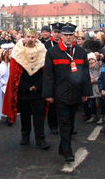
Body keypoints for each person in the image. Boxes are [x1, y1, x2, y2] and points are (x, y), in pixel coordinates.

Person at [43, 23, 92, 162]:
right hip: (60, 94)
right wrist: (49, 94)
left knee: (70, 122)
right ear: (61, 36)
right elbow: (48, 75)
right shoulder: (53, 52)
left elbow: (85, 73)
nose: (68, 38)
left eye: (71, 35)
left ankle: (63, 146)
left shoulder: (81, 52)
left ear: (74, 36)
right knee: (64, 122)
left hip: (76, 93)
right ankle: (68, 151)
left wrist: (86, 91)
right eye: (65, 35)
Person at [3, 29, 49, 150]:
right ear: (24, 38)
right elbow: (15, 74)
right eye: (28, 36)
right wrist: (26, 86)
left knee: (39, 117)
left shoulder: (43, 51)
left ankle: (40, 139)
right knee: (25, 116)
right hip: (24, 90)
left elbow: (46, 72)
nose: (30, 39)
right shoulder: (17, 52)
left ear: (36, 38)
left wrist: (37, 86)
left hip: (38, 90)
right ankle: (25, 136)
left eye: (33, 37)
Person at [44, 22, 64, 135]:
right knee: (52, 104)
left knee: (64, 104)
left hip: (63, 78)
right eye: (55, 32)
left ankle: (65, 125)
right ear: (52, 33)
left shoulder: (65, 44)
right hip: (52, 77)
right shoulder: (46, 45)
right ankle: (53, 125)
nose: (57, 34)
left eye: (59, 32)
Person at [0, 44, 12, 122]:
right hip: (2, 87)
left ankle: (8, 116)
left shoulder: (10, 65)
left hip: (8, 86)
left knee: (8, 102)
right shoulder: (2, 66)